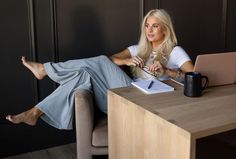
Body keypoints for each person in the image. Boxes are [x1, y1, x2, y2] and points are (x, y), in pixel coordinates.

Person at [6, 9, 194, 129]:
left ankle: (45, 71)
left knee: (100, 61)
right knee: (84, 73)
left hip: (152, 103)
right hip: (130, 93)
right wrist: (127, 61)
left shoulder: (175, 52)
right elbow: (113, 59)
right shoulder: (138, 49)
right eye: (147, 26)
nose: (149, 30)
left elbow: (194, 76)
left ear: (166, 30)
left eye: (155, 26)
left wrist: (166, 72)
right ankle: (36, 112)